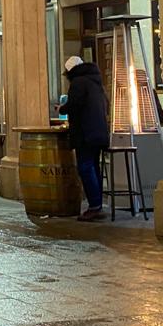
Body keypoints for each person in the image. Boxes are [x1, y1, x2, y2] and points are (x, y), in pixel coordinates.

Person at [58, 56, 110, 221]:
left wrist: (62, 109)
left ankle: (94, 206)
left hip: (86, 133)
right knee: (93, 167)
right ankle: (98, 204)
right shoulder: (95, 81)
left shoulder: (79, 82)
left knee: (86, 167)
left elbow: (74, 104)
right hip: (98, 131)